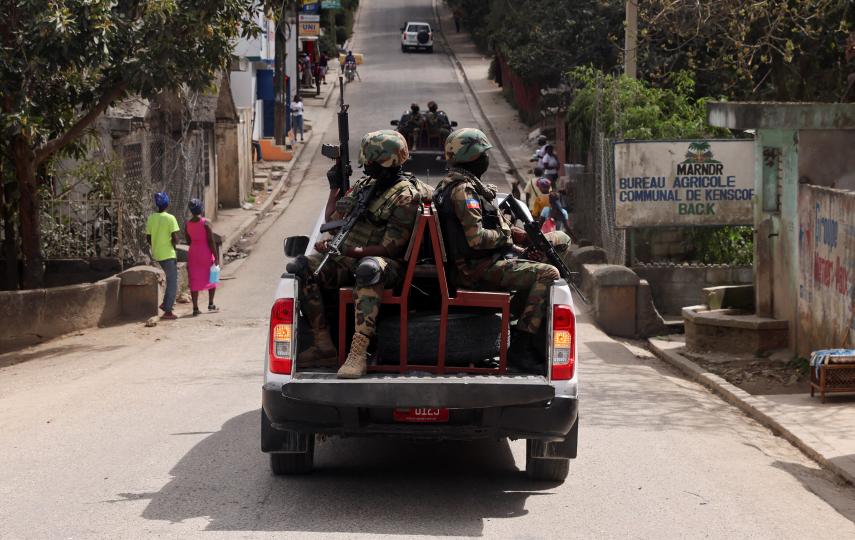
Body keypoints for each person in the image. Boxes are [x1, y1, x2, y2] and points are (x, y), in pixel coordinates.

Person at [286, 130, 430, 379]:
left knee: (368, 269)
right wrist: (335, 187)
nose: (366, 167)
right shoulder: (365, 186)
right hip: (347, 258)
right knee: (301, 267)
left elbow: (390, 248)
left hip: (385, 266)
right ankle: (323, 345)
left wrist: (346, 250)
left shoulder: (406, 196)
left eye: (371, 162)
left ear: (387, 162)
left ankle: (358, 352)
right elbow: (332, 219)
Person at [433, 128, 571, 373]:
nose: (486, 158)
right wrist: (510, 238)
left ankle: (524, 309)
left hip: (487, 261)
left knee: (558, 240)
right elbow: (477, 240)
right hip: (477, 270)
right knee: (548, 273)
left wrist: (521, 243)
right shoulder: (463, 191)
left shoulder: (461, 185)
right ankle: (521, 345)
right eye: (483, 154)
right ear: (473, 158)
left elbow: (485, 229)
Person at [145, 192, 180, 320]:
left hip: (156, 254)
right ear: (167, 203)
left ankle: (165, 304)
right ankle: (168, 311)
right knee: (172, 283)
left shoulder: (151, 218)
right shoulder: (171, 218)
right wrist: (174, 245)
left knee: (170, 281)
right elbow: (175, 238)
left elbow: (148, 238)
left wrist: (156, 244)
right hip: (168, 255)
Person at [184, 198, 220, 316]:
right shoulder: (205, 223)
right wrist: (216, 256)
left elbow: (188, 240)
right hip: (205, 252)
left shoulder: (188, 224)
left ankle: (195, 308)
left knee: (194, 279)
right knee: (212, 276)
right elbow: (211, 241)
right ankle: (211, 303)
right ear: (201, 208)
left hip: (193, 253)